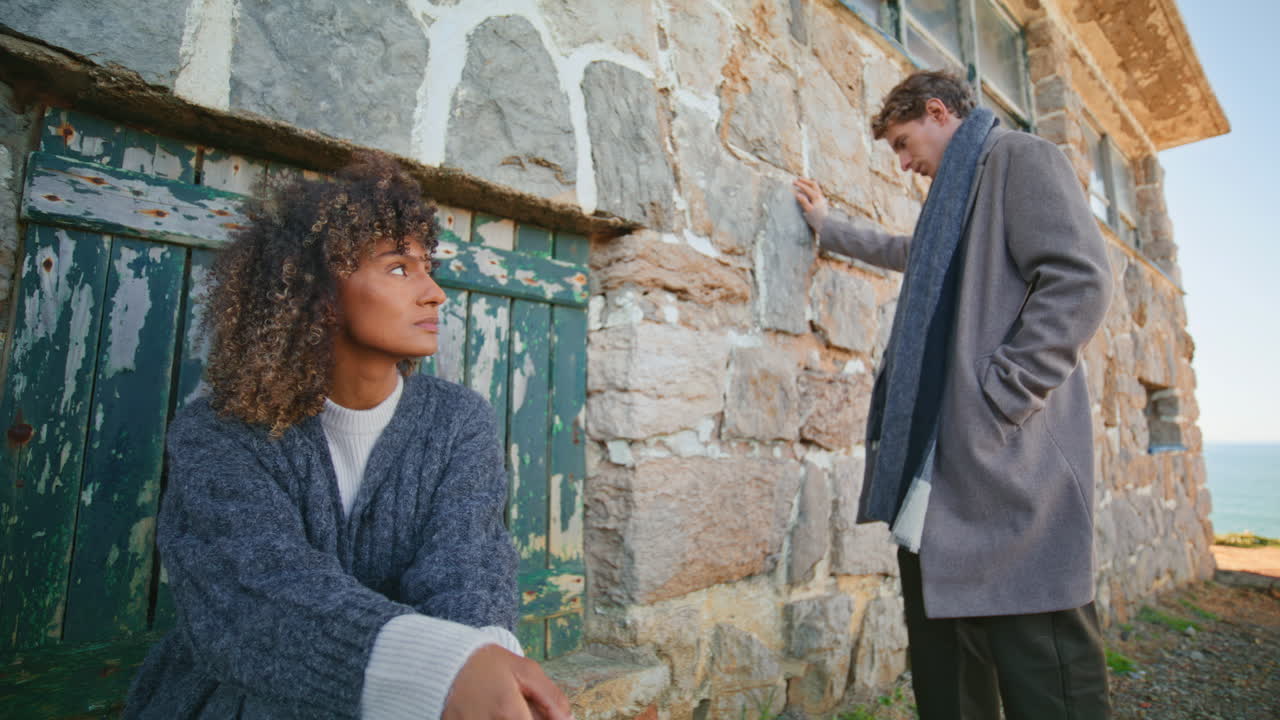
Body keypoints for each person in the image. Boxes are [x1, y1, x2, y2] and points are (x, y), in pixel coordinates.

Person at [125, 155, 572, 720]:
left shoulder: (459, 421)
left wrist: (484, 666)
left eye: (427, 267)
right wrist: (441, 670)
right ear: (319, 294)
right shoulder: (217, 431)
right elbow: (253, 596)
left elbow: (468, 566)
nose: (434, 292)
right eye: (398, 268)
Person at [794, 71, 1114, 719]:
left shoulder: (1020, 158)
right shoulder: (957, 197)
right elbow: (908, 252)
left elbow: (1080, 280)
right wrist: (828, 227)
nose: (907, 166)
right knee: (948, 671)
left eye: (905, 144)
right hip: (937, 471)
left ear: (939, 112)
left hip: (1009, 465)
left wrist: (1001, 393)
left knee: (1045, 671)